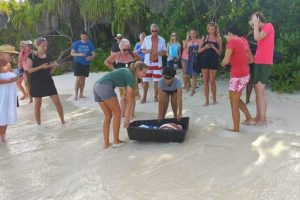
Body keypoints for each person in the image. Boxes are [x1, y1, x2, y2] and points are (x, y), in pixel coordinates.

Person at [93, 61, 148, 149]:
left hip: (97, 86)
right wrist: (127, 120)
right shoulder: (131, 76)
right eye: (144, 72)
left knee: (108, 115)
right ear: (137, 70)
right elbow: (129, 101)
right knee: (117, 113)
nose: (145, 75)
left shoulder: (127, 71)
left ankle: (106, 143)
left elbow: (127, 97)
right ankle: (116, 141)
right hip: (105, 87)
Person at [221, 24, 255, 132]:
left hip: (237, 76)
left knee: (233, 103)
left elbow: (225, 61)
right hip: (245, 74)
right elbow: (251, 60)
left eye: (225, 37)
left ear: (229, 34)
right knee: (234, 99)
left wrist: (222, 64)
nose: (226, 39)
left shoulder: (232, 41)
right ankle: (249, 118)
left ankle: (236, 129)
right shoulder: (243, 40)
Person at [26, 37, 65, 125]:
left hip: (48, 82)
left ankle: (63, 121)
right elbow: (29, 70)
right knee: (37, 105)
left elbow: (51, 72)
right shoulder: (31, 55)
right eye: (43, 46)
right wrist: (41, 67)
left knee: (57, 102)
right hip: (36, 83)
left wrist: (54, 66)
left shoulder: (48, 56)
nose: (45, 48)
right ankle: (39, 125)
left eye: (46, 46)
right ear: (37, 46)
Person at [104, 39, 141, 119]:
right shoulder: (116, 55)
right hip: (121, 79)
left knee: (132, 97)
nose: (127, 51)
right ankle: (122, 114)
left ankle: (131, 114)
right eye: (124, 50)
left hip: (132, 78)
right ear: (120, 48)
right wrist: (114, 69)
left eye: (128, 49)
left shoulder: (132, 54)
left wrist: (136, 68)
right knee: (123, 97)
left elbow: (139, 59)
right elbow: (107, 62)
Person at [250, 12, 275, 126]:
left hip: (264, 63)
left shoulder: (269, 26)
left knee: (260, 91)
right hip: (258, 62)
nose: (252, 24)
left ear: (258, 20)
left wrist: (255, 24)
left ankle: (263, 119)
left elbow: (256, 37)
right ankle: (258, 116)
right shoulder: (261, 30)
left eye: (254, 21)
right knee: (257, 90)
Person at [140, 24, 167, 103]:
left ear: (158, 30)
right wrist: (147, 51)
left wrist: (158, 52)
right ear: (150, 30)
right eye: (153, 31)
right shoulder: (146, 38)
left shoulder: (162, 39)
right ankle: (144, 97)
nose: (154, 32)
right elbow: (142, 49)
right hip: (147, 63)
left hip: (157, 63)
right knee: (145, 81)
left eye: (156, 30)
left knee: (156, 81)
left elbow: (164, 52)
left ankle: (156, 96)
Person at [199, 22, 222, 106]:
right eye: (210, 29)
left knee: (212, 81)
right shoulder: (204, 37)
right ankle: (206, 101)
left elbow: (219, 53)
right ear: (208, 29)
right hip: (204, 60)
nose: (212, 31)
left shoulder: (219, 38)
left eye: (213, 29)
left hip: (213, 61)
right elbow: (199, 50)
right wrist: (205, 47)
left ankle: (214, 99)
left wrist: (214, 47)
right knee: (205, 81)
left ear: (215, 29)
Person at [0, 45, 20, 142]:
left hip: (8, 95)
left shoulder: (8, 65)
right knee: (1, 114)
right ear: (1, 55)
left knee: (6, 115)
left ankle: (3, 138)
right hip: (1, 95)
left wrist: (17, 77)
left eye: (11, 54)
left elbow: (14, 77)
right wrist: (10, 80)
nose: (11, 56)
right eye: (9, 54)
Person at [71, 30, 96, 100]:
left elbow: (94, 54)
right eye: (82, 36)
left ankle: (81, 94)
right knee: (78, 78)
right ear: (80, 36)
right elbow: (72, 53)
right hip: (78, 63)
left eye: (85, 36)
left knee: (83, 79)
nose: (83, 37)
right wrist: (79, 54)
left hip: (86, 63)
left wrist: (90, 57)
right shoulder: (76, 43)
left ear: (87, 36)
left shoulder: (90, 44)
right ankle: (76, 94)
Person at [186, 29, 201, 96]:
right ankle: (192, 88)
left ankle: (193, 91)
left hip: (196, 59)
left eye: (194, 33)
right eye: (191, 33)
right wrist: (189, 51)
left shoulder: (198, 41)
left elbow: (201, 50)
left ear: (196, 34)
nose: (192, 35)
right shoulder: (189, 42)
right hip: (190, 59)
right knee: (190, 75)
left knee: (194, 76)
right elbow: (186, 52)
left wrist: (196, 51)